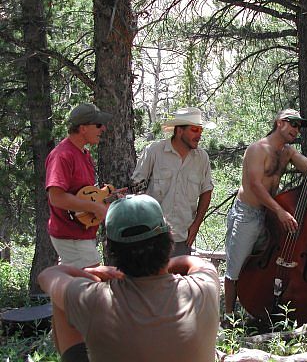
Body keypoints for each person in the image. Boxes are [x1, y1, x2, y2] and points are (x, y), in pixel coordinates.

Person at [38, 194, 220, 362]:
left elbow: (48, 275)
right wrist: (164, 266)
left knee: (62, 301)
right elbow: (193, 262)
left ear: (110, 250)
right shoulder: (204, 286)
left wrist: (94, 273)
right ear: (169, 238)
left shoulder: (96, 300)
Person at [224, 109, 307, 317]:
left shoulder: (287, 152)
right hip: (247, 214)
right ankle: (227, 315)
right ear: (280, 123)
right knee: (235, 269)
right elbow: (254, 185)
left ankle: (255, 310)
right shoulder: (258, 149)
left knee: (261, 266)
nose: (296, 129)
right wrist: (280, 211)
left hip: (268, 216)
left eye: (299, 126)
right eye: (293, 124)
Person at [132, 107, 215, 256]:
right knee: (151, 278)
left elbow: (206, 191)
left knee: (179, 279)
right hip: (152, 237)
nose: (199, 135)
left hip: (183, 238)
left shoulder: (202, 158)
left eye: (200, 130)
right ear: (179, 131)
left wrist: (196, 225)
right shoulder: (154, 151)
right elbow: (136, 190)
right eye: (194, 130)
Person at [45, 102, 113, 269]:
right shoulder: (62, 155)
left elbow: (81, 193)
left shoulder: (84, 154)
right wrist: (95, 207)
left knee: (81, 288)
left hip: (81, 234)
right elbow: (56, 197)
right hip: (70, 236)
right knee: (92, 285)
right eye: (98, 125)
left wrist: (104, 199)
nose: (103, 128)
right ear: (83, 128)